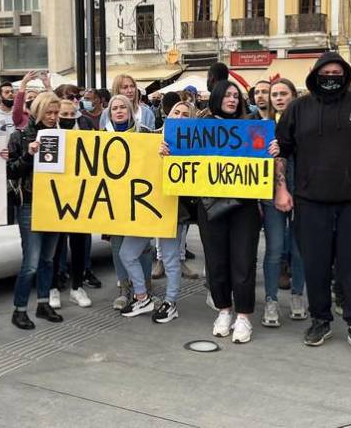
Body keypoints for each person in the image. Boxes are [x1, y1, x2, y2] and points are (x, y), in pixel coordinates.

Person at [275, 52, 351, 356]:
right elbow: (282, 150)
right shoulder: (298, 109)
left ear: (345, 75)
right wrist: (281, 189)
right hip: (310, 200)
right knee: (315, 265)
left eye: (337, 72)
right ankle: (320, 320)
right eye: (325, 72)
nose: (331, 77)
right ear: (316, 75)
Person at [194, 80, 277, 344]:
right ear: (216, 98)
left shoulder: (252, 126)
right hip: (209, 204)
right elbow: (183, 159)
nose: (232, 99)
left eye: (236, 96)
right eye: (227, 95)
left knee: (243, 261)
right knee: (216, 261)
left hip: (244, 206)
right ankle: (223, 310)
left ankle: (243, 316)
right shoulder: (198, 128)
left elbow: (263, 161)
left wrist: (273, 151)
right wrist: (167, 152)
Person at [120, 100, 198, 324]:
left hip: (173, 210)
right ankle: (142, 297)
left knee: (171, 259)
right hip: (144, 207)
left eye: (186, 114)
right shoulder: (149, 137)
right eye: (177, 112)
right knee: (127, 253)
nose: (180, 117)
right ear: (168, 114)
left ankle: (171, 302)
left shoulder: (193, 146)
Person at [7, 92, 64, 329]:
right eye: (48, 112)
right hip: (30, 203)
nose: (52, 117)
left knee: (47, 259)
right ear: (37, 112)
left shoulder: (64, 136)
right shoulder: (19, 136)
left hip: (55, 202)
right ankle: (19, 309)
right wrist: (29, 155)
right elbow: (10, 171)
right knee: (30, 261)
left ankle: (43, 303)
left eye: (55, 113)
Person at [100, 95, 155, 309]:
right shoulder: (101, 136)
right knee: (117, 245)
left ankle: (145, 286)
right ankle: (124, 288)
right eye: (115, 108)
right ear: (110, 113)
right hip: (113, 199)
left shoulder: (145, 133)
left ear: (131, 110)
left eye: (124, 107)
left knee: (143, 246)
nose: (120, 111)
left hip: (141, 198)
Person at [260, 78, 307, 327]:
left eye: (283, 93)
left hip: (303, 195)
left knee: (300, 250)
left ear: (293, 96)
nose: (278, 98)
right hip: (270, 196)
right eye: (274, 94)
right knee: (274, 249)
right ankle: (271, 300)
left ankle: (298, 296)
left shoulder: (306, 125)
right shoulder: (263, 126)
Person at [47, 99, 93, 309]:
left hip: (79, 195)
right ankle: (53, 287)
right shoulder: (48, 136)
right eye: (62, 114)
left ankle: (76, 287)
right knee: (56, 246)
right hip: (56, 196)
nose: (66, 118)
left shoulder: (85, 131)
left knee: (79, 243)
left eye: (69, 114)